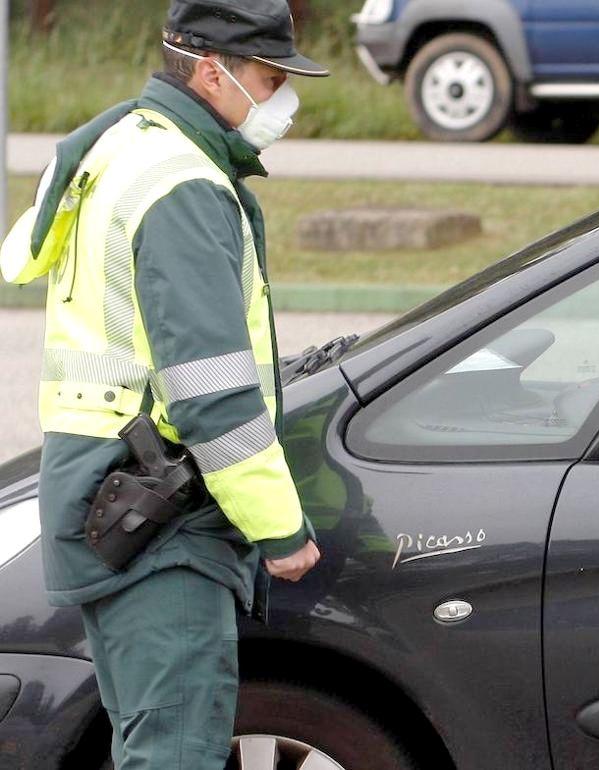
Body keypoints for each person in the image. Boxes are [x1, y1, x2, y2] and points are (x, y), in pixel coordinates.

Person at [0, 1, 327, 765]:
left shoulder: (121, 147)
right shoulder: (182, 184)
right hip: (161, 524)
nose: (283, 102)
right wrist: (279, 528)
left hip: (109, 501)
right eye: (270, 79)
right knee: (175, 750)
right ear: (213, 73)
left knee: (149, 741)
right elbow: (210, 388)